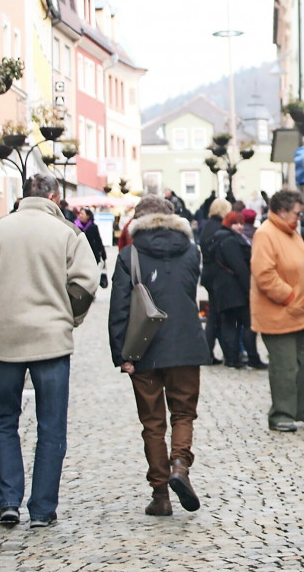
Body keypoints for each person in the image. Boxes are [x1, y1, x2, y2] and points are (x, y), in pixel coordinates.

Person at [0, 173, 98, 528]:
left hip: (6, 339)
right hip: (51, 340)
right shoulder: (68, 234)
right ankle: (42, 508)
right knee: (51, 425)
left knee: (4, 420)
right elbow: (86, 282)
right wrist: (69, 315)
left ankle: (8, 501)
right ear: (54, 197)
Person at [108, 195, 211, 517]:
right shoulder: (192, 251)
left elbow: (120, 309)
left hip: (144, 347)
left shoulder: (129, 255)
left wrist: (121, 354)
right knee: (183, 414)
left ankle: (160, 495)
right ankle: (180, 465)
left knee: (153, 423)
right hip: (186, 345)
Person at [250, 189, 304, 433]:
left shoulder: (292, 232)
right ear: (282, 211)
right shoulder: (266, 234)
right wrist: (290, 296)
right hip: (280, 313)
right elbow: (265, 274)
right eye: (296, 213)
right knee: (285, 366)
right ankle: (281, 413)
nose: (299, 217)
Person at [203, 211, 266, 369]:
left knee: (230, 324)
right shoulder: (230, 240)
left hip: (223, 288)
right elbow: (240, 267)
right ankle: (251, 358)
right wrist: (249, 288)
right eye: (236, 223)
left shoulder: (218, 238)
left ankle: (232, 358)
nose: (240, 226)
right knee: (247, 324)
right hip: (235, 289)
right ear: (229, 224)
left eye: (241, 223)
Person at [198, 198, 232, 363]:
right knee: (215, 315)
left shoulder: (207, 226)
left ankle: (209, 351)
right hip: (216, 275)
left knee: (215, 314)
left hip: (208, 273)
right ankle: (208, 352)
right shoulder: (218, 228)